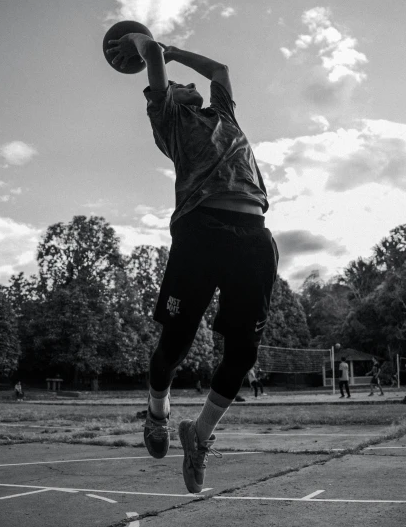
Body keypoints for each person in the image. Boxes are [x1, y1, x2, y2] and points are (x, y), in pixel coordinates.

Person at [106, 31, 278, 494]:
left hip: (254, 233)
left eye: (188, 82)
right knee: (176, 344)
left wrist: (175, 51)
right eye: (178, 83)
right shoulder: (168, 120)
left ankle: (198, 436)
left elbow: (220, 71)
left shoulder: (223, 113)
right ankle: (157, 412)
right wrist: (142, 43)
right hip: (200, 229)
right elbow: (153, 55)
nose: (187, 83)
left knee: (243, 353)